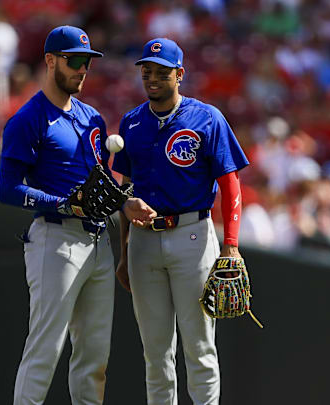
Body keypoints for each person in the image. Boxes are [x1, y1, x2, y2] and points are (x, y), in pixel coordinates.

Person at [0, 26, 154, 405]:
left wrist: (123, 203)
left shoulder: (93, 119)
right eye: (74, 61)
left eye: (87, 62)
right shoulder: (29, 118)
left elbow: (98, 185)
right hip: (56, 238)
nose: (82, 69)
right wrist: (64, 204)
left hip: (98, 241)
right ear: (50, 61)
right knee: (44, 351)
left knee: (94, 358)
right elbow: (8, 189)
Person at [112, 38, 250, 405]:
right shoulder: (132, 121)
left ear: (180, 74)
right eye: (147, 71)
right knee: (155, 353)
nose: (153, 78)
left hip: (193, 234)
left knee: (200, 348)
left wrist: (232, 245)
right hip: (143, 242)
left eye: (161, 71)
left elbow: (230, 184)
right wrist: (124, 251)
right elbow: (125, 193)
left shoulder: (207, 118)